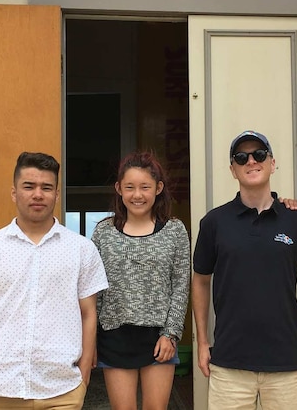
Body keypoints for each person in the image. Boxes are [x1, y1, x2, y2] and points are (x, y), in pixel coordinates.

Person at [0, 151, 108, 409]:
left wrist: (83, 378)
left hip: (63, 390)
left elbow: (89, 313)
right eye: (29, 186)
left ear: (57, 195)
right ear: (14, 192)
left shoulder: (81, 250)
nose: (38, 194)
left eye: (46, 187)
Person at [191, 130, 297, 410]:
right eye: (241, 157)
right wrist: (203, 342)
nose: (251, 161)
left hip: (286, 362)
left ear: (272, 163)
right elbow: (201, 281)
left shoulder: (296, 221)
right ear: (233, 170)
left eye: (259, 154)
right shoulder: (214, 222)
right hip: (229, 363)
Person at [90, 151, 191, 410]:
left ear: (158, 188)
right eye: (130, 187)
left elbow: (181, 286)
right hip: (114, 337)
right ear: (118, 189)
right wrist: (90, 340)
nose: (137, 195)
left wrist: (171, 335)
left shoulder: (175, 230)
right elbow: (93, 289)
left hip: (159, 339)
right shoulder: (103, 231)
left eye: (145, 187)